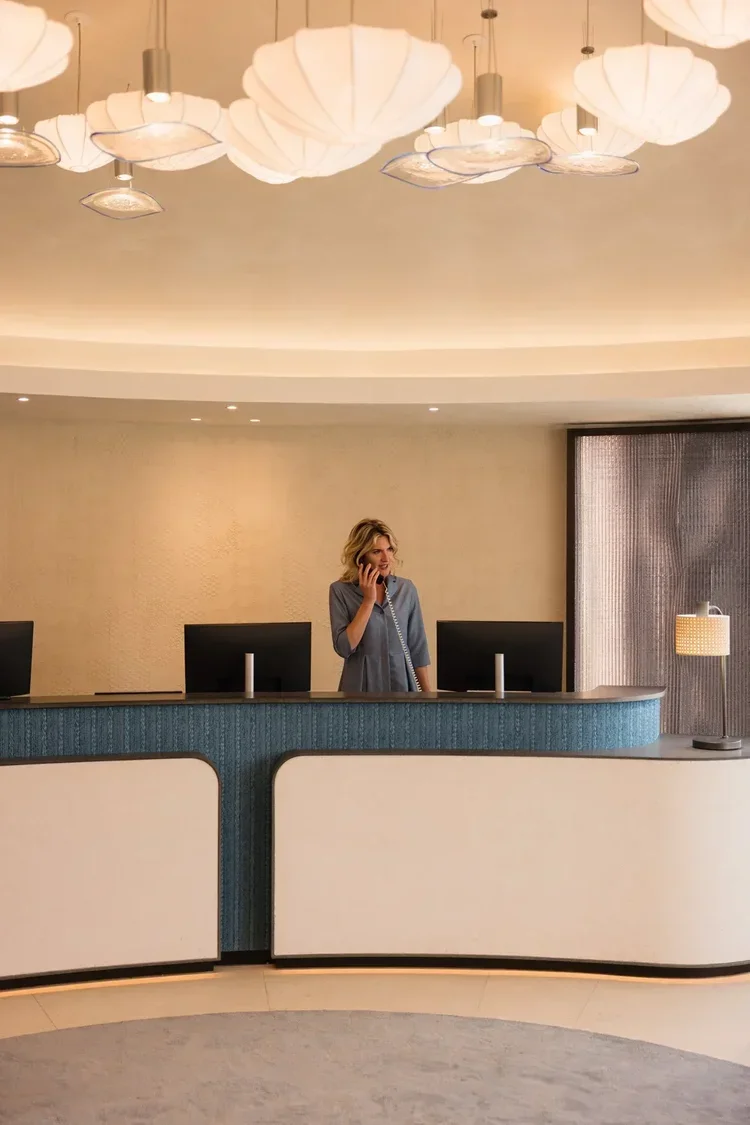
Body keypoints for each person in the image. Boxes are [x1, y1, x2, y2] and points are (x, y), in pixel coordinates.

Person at [329, 518, 432, 693]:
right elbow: (344, 647)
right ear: (361, 557)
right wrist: (368, 601)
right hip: (360, 688)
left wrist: (430, 699)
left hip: (401, 686)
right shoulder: (340, 590)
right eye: (377, 551)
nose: (386, 558)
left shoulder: (406, 589)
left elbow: (418, 649)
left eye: (389, 549)